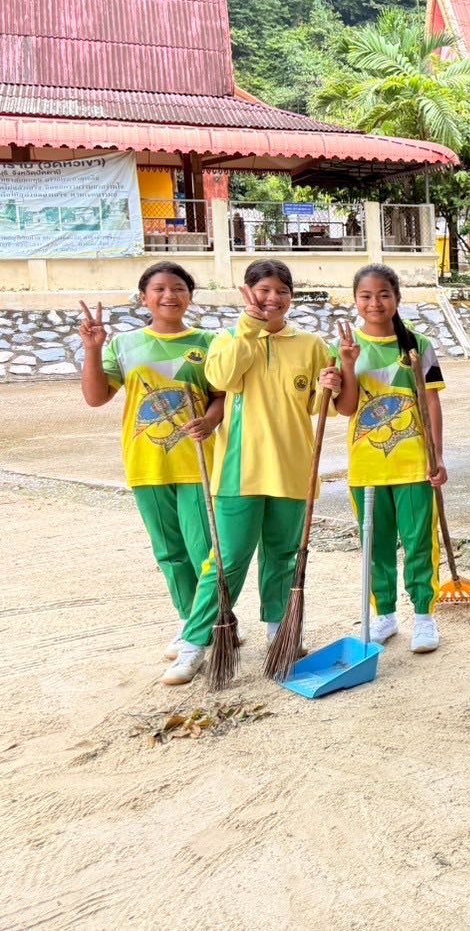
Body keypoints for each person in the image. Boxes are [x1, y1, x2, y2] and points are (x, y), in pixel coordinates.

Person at [163, 259, 358, 685]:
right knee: (226, 561)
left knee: (284, 557)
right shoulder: (228, 339)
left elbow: (315, 407)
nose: (273, 299)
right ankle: (196, 643)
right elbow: (223, 377)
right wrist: (249, 326)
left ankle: (280, 632)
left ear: (291, 296)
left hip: (292, 468)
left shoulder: (309, 345)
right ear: (247, 292)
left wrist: (333, 383)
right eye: (263, 290)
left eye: (281, 291)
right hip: (239, 470)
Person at [78, 262, 224, 663]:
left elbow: (221, 393)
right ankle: (189, 621)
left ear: (190, 296)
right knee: (169, 552)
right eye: (159, 289)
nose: (169, 296)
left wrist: (211, 420)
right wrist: (92, 348)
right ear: (144, 298)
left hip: (198, 460)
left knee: (206, 549)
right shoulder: (123, 345)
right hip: (147, 461)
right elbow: (95, 397)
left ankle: (217, 619)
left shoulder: (212, 341)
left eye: (178, 288)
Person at [345, 263, 448, 654]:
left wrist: (436, 455)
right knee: (376, 543)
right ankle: (384, 614)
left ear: (397, 299)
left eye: (384, 294)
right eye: (367, 296)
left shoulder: (418, 345)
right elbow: (346, 407)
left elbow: (433, 401)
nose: (375, 303)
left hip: (414, 463)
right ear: (356, 300)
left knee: (420, 540)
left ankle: (424, 615)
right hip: (367, 466)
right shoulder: (345, 347)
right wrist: (347, 364)